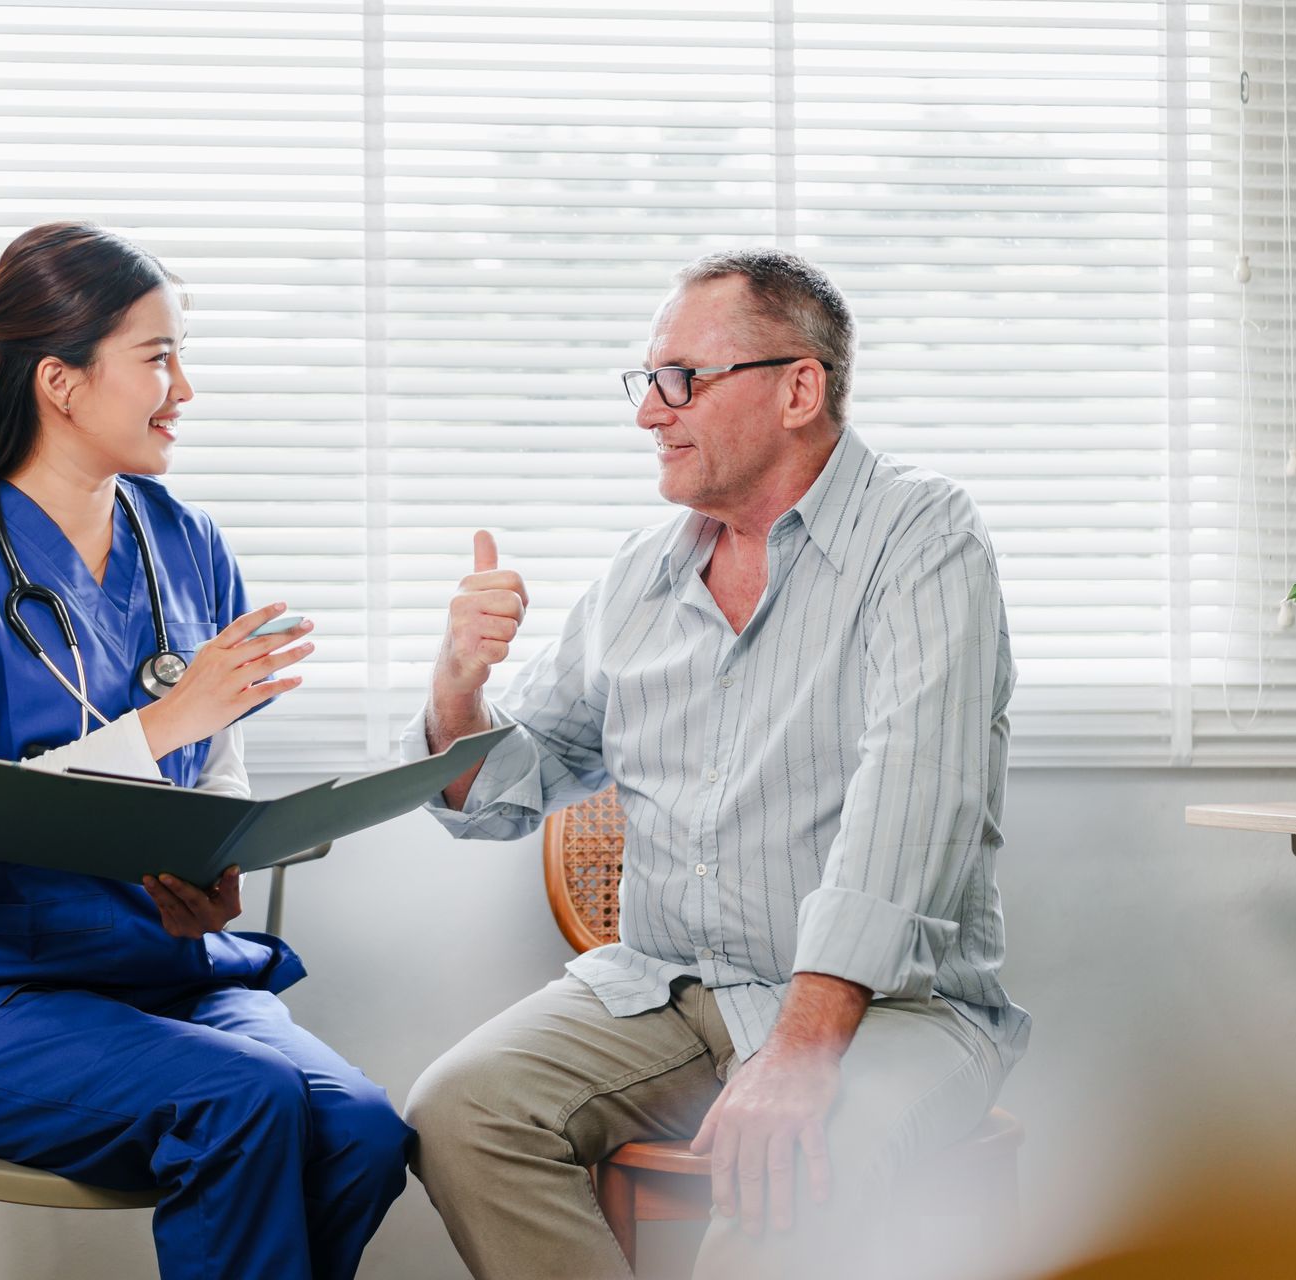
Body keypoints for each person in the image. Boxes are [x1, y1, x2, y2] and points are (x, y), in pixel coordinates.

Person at [402, 248, 1030, 1279]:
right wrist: (459, 682)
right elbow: (501, 793)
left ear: (798, 388)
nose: (651, 411)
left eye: (681, 378)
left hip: (890, 1004)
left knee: (786, 1171)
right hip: (669, 988)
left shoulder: (925, 540)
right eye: (647, 381)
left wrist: (801, 1047)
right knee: (461, 1109)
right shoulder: (637, 579)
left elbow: (912, 803)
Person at [0, 222, 409, 1280]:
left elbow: (222, 774)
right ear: (61, 380)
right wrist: (165, 723)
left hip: (173, 976)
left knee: (363, 1129)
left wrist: (213, 872)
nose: (184, 388)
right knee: (243, 1102)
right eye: (158, 357)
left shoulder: (187, 540)